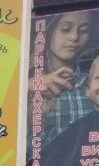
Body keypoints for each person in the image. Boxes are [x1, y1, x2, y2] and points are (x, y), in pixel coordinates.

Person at [38, 10, 94, 145]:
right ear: (49, 31)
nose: (74, 37)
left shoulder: (94, 84)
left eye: (84, 30)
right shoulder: (24, 83)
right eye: (65, 29)